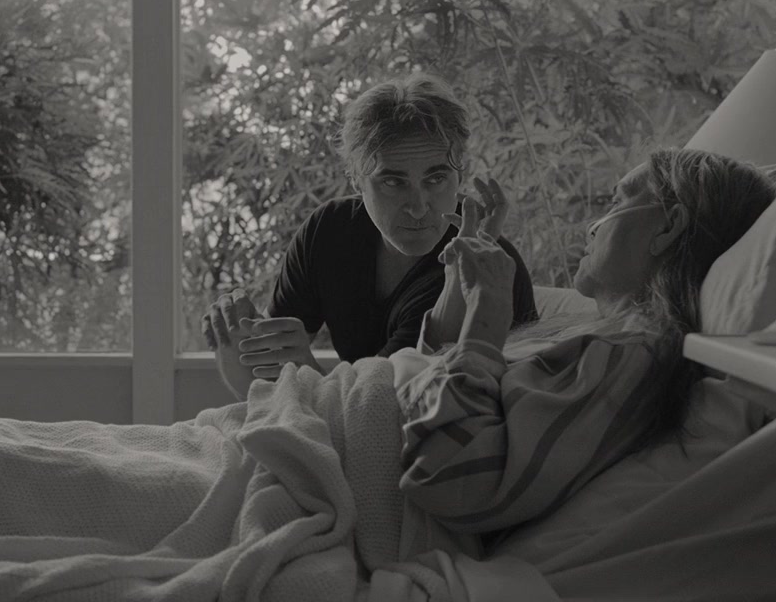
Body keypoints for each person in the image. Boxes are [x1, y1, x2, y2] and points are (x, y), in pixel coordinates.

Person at [215, 148, 776, 548]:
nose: (592, 225)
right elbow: (438, 378)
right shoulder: (588, 336)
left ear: (669, 227)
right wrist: (462, 288)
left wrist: (487, 316)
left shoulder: (629, 357)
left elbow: (454, 480)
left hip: (340, 460)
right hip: (323, 424)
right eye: (392, 181)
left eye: (616, 202)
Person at [202, 72, 537, 398]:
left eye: (436, 179)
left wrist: (304, 367)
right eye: (393, 182)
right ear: (355, 180)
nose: (418, 207)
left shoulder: (480, 265)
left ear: (459, 175)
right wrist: (236, 342)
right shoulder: (329, 232)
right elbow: (269, 387)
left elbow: (383, 413)